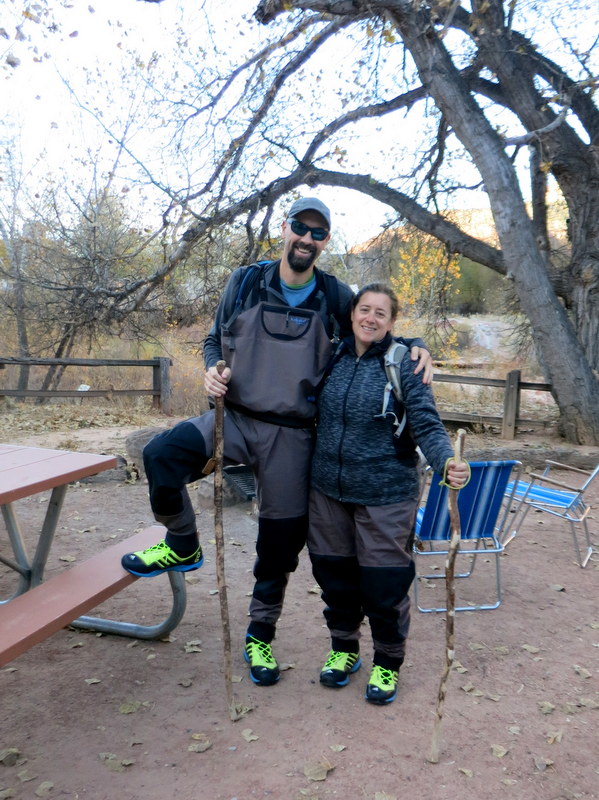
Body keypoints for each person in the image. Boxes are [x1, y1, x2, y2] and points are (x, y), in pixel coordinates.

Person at [121, 198, 433, 687]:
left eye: (318, 232)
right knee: (160, 455)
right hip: (236, 419)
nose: (307, 238)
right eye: (300, 227)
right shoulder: (245, 282)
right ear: (284, 229)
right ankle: (182, 543)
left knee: (278, 546)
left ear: (325, 241)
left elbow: (375, 330)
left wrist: (418, 348)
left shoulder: (335, 294)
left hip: (293, 437)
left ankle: (259, 634)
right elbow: (212, 340)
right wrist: (211, 370)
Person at [307, 282, 469, 705]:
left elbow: (427, 424)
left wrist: (446, 461)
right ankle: (343, 650)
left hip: (386, 493)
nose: (370, 318)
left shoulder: (405, 365)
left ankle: (387, 661)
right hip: (328, 491)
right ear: (352, 313)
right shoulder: (332, 358)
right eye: (364, 309)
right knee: (335, 579)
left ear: (392, 322)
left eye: (381, 313)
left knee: (384, 584)